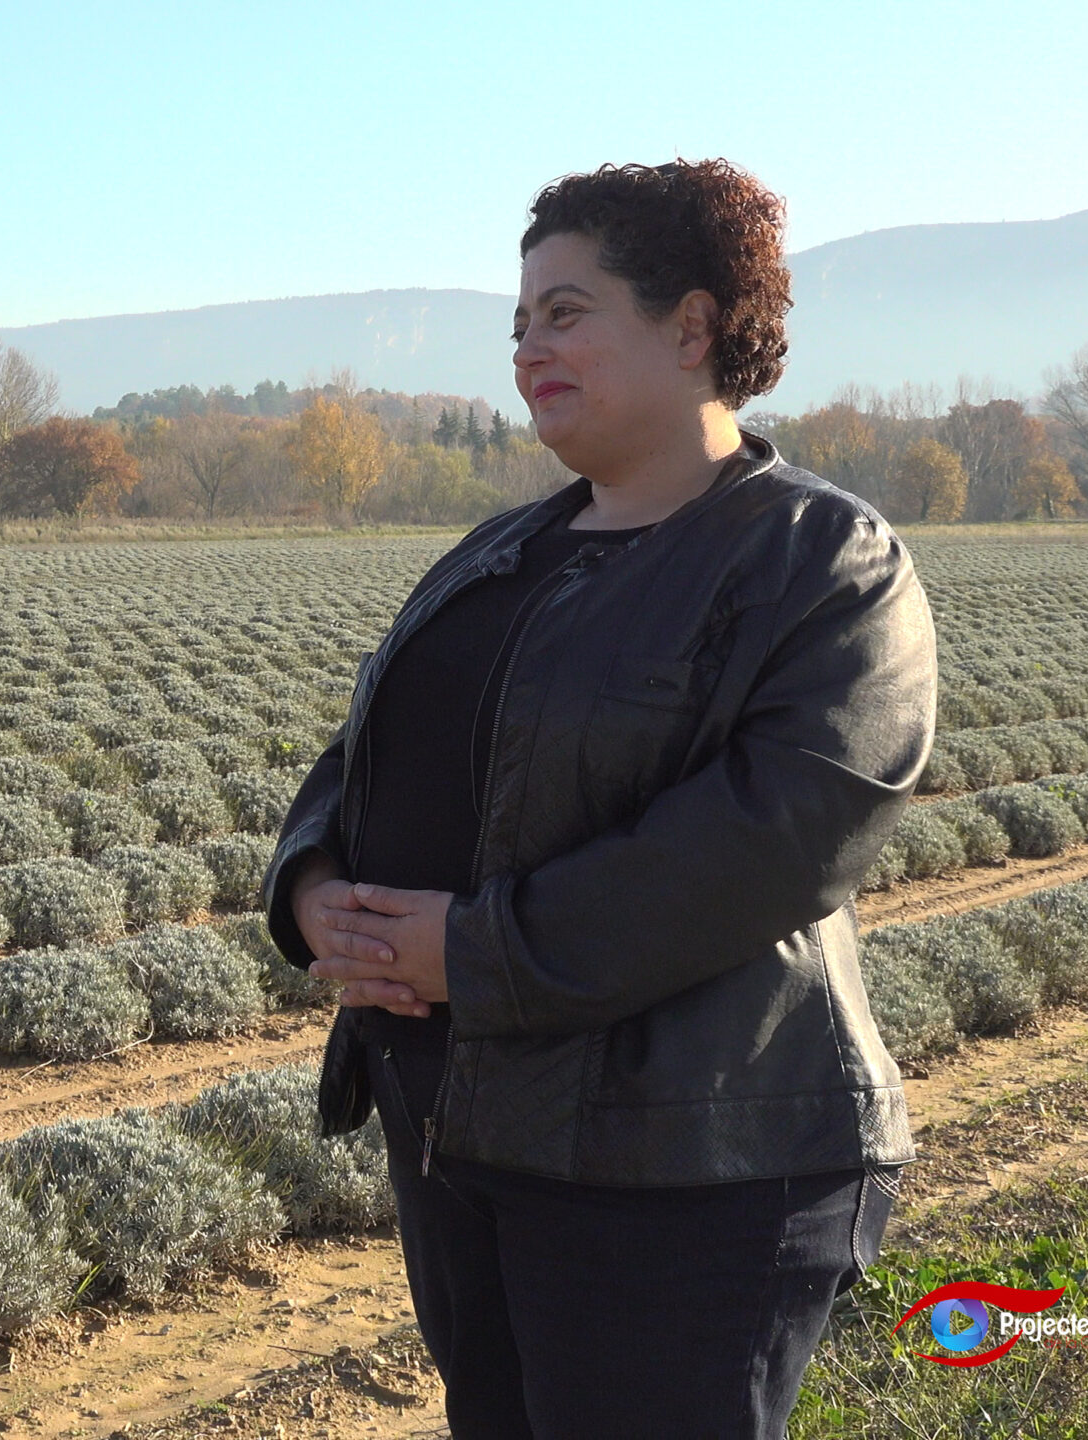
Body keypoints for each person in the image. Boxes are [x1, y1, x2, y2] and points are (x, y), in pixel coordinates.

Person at [263, 159, 937, 1439]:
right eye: (517, 323)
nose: (527, 349)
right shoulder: (497, 553)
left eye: (564, 313)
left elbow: (773, 838)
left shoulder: (818, 559)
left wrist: (471, 950)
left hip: (690, 1163)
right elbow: (364, 751)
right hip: (469, 1139)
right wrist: (312, 891)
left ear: (690, 328)